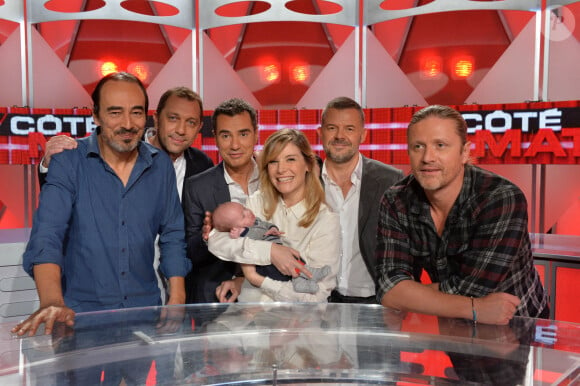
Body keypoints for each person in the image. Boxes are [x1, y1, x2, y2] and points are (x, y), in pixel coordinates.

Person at [12, 72, 191, 337]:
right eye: (115, 113)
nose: (128, 124)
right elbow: (47, 235)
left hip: (143, 314)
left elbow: (173, 235)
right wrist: (52, 301)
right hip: (78, 317)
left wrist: (177, 297)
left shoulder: (160, 165)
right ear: (96, 116)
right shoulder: (69, 162)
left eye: (136, 113)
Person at [36, 86, 214, 303]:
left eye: (191, 122)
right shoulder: (83, 156)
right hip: (94, 290)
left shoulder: (202, 164)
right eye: (174, 118)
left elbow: (179, 234)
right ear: (156, 119)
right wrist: (48, 166)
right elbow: (50, 228)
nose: (181, 130)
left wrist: (178, 292)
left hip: (162, 283)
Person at [376, 104, 549, 325]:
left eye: (441, 145)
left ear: (464, 152)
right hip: (456, 322)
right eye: (418, 146)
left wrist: (409, 295)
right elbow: (389, 290)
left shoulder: (500, 197)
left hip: (519, 323)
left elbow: (473, 288)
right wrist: (474, 307)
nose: (428, 157)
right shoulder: (395, 200)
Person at [208, 128, 340, 302]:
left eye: (290, 159)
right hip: (251, 317)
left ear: (308, 164)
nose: (281, 169)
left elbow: (315, 295)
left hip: (298, 322)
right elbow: (216, 241)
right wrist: (271, 252)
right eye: (273, 162)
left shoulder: (326, 219)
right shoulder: (257, 202)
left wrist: (257, 279)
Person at [318, 96, 403, 304]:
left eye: (349, 129)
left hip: (375, 300)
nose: (340, 136)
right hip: (317, 300)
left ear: (362, 135)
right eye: (332, 128)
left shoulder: (390, 180)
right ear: (320, 133)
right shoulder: (304, 179)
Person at [182, 98, 263, 303]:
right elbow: (190, 252)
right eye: (226, 135)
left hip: (270, 295)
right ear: (215, 138)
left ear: (256, 134)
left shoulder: (275, 178)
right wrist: (206, 238)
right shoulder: (197, 187)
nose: (235, 145)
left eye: (243, 134)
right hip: (217, 297)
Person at [212, 201, 331, 294]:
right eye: (243, 216)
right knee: (285, 269)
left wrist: (273, 229)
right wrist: (237, 235)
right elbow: (235, 243)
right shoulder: (244, 232)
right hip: (267, 264)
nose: (248, 212)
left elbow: (267, 225)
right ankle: (304, 277)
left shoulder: (256, 221)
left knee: (295, 258)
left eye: (244, 208)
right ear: (235, 228)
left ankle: (306, 275)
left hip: (281, 250)